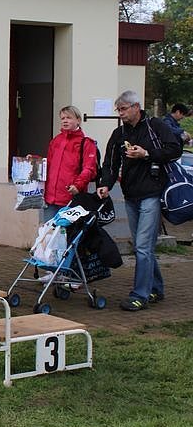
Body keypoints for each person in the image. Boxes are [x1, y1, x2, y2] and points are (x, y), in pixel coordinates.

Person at [97, 90, 182, 311]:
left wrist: (147, 154)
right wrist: (106, 184)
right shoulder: (119, 134)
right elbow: (110, 163)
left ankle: (140, 295)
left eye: (124, 109)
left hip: (152, 193)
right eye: (118, 110)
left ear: (136, 107)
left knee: (143, 247)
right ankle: (156, 289)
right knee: (142, 246)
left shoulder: (155, 126)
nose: (121, 113)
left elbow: (174, 149)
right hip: (130, 194)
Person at [43, 105, 99, 222]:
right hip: (50, 198)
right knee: (48, 236)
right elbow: (48, 164)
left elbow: (89, 169)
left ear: (78, 120)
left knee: (68, 237)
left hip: (71, 199)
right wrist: (34, 160)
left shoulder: (86, 143)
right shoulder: (56, 141)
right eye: (62, 118)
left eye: (69, 117)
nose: (65, 121)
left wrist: (78, 185)